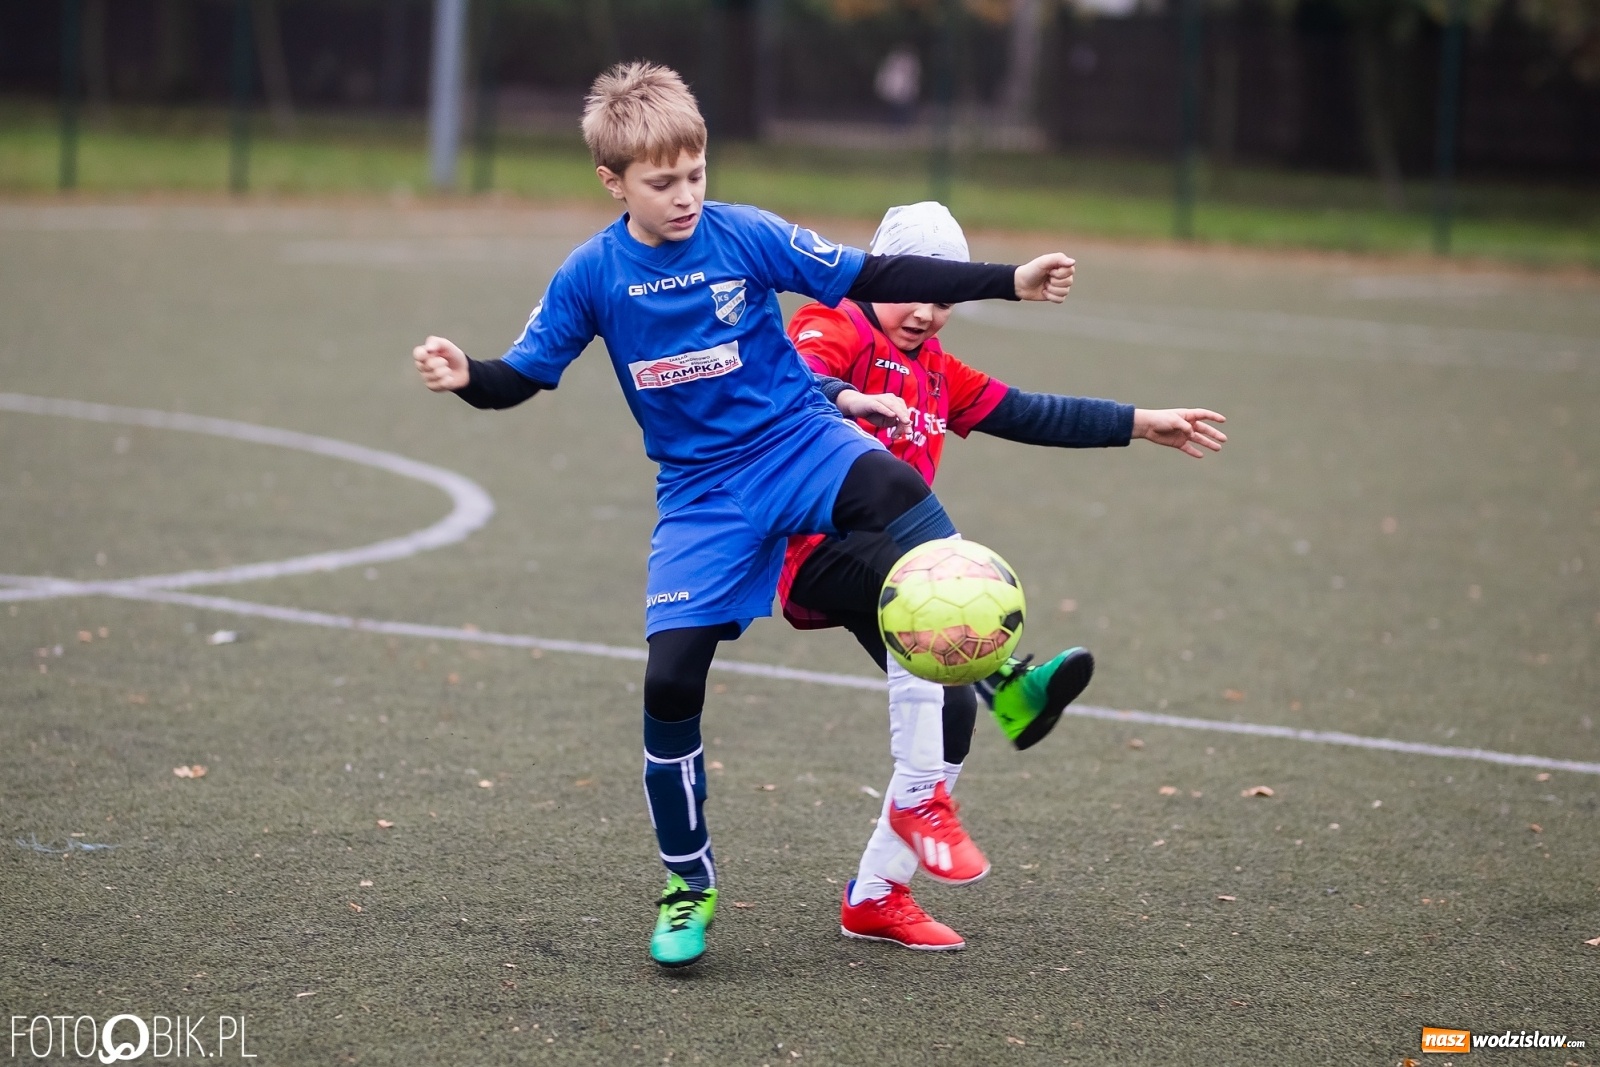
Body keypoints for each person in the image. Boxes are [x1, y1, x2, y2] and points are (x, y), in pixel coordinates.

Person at [412, 63, 1081, 969]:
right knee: (670, 680)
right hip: (702, 495)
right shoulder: (592, 276)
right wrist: (469, 377)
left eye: (695, 174)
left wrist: (1008, 279)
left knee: (890, 487)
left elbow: (873, 271)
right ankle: (687, 884)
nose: (686, 196)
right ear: (613, 183)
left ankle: (1004, 674)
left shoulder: (745, 234)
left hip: (798, 441)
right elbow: (525, 375)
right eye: (662, 183)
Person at [778, 201, 1228, 951]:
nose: (926, 312)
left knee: (949, 713)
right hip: (820, 551)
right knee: (933, 581)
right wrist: (848, 398)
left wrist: (1142, 422)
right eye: (913, 291)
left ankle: (876, 895)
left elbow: (1027, 411)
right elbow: (794, 376)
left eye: (945, 298)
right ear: (880, 272)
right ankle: (1009, 682)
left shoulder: (935, 371)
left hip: (895, 565)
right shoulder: (838, 321)